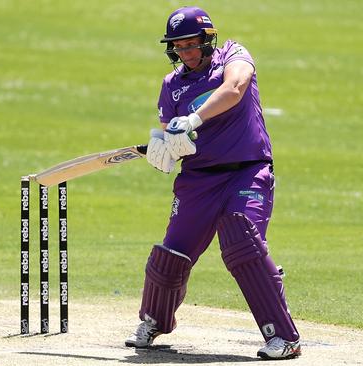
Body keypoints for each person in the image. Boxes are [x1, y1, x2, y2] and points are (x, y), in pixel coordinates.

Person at [125, 6, 301, 360]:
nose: (186, 53)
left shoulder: (233, 55)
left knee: (242, 240)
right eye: (179, 46)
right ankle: (154, 320)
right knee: (171, 254)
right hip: (198, 181)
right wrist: (166, 150)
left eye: (192, 44)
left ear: (208, 40)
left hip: (246, 171)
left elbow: (234, 89)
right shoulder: (171, 85)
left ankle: (283, 337)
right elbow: (172, 136)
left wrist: (193, 118)